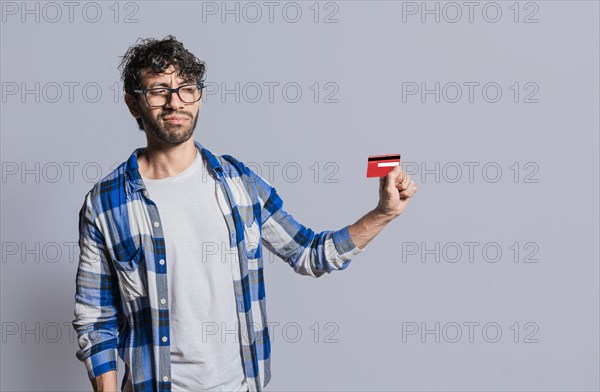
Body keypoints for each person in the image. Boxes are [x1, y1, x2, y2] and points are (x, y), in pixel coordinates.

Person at [72, 35, 417, 392]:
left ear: (199, 96)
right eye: (159, 90)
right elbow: (95, 322)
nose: (175, 102)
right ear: (134, 104)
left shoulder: (239, 185)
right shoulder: (107, 203)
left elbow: (310, 254)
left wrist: (383, 213)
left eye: (186, 88)